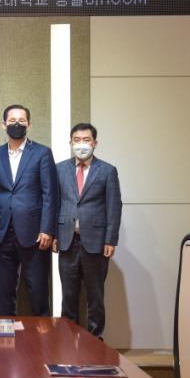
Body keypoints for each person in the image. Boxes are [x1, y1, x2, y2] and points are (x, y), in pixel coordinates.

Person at [0, 104, 58, 316]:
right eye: (12, 121)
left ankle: (42, 333)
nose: (16, 124)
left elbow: (50, 194)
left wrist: (47, 229)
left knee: (38, 290)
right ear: (3, 124)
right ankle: (7, 333)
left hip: (34, 233)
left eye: (21, 121)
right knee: (4, 291)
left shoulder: (42, 153)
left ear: (29, 124)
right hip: (3, 232)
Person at [53, 122, 121, 337]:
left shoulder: (107, 170)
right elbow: (54, 204)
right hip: (67, 241)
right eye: (77, 140)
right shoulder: (60, 169)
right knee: (68, 296)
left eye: (86, 140)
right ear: (70, 143)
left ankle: (95, 340)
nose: (81, 144)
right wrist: (54, 234)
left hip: (96, 242)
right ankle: (67, 340)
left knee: (95, 297)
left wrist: (110, 239)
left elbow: (114, 207)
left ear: (95, 143)